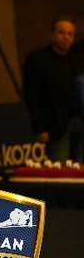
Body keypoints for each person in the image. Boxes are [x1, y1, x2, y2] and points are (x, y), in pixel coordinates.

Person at [21, 14, 84, 162]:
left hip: (79, 122)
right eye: (62, 33)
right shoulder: (38, 59)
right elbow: (32, 96)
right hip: (56, 125)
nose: (66, 37)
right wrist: (40, 127)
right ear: (53, 34)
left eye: (70, 34)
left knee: (79, 168)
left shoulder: (77, 59)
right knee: (59, 168)